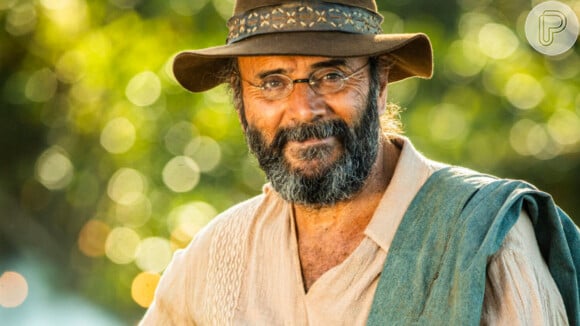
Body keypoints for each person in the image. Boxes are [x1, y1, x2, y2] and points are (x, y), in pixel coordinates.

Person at [141, 0, 579, 324]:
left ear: (381, 83)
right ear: (241, 104)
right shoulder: (215, 255)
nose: (304, 109)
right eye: (272, 82)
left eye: (331, 76)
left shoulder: (486, 238)